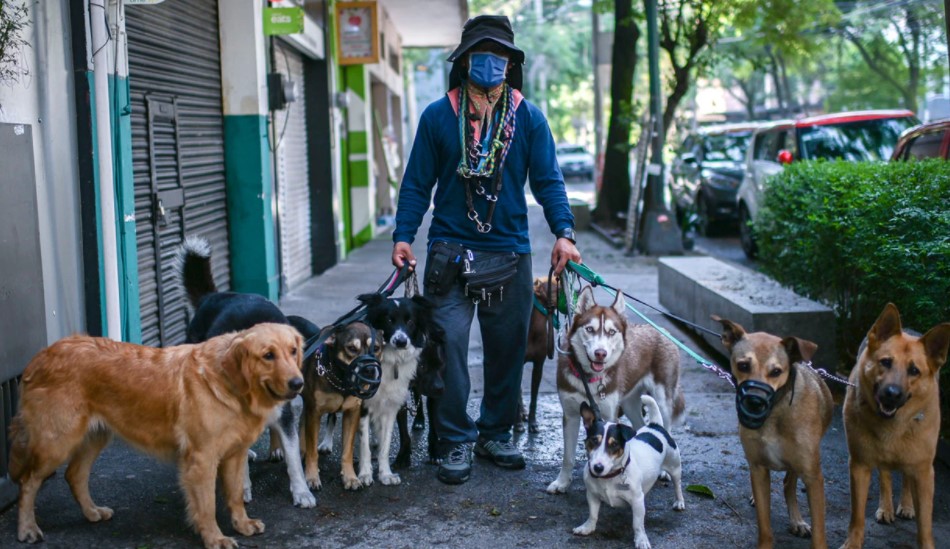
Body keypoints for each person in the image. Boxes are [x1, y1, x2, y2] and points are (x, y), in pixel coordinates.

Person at [391, 14, 581, 485]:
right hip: (449, 251)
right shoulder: (438, 116)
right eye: (483, 54)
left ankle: (497, 431)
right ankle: (454, 438)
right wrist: (402, 234)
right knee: (449, 344)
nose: (491, 64)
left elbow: (549, 181)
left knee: (507, 349)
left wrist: (564, 232)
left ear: (510, 63)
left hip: (510, 252)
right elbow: (417, 184)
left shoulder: (530, 118)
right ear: (464, 61)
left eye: (500, 56)